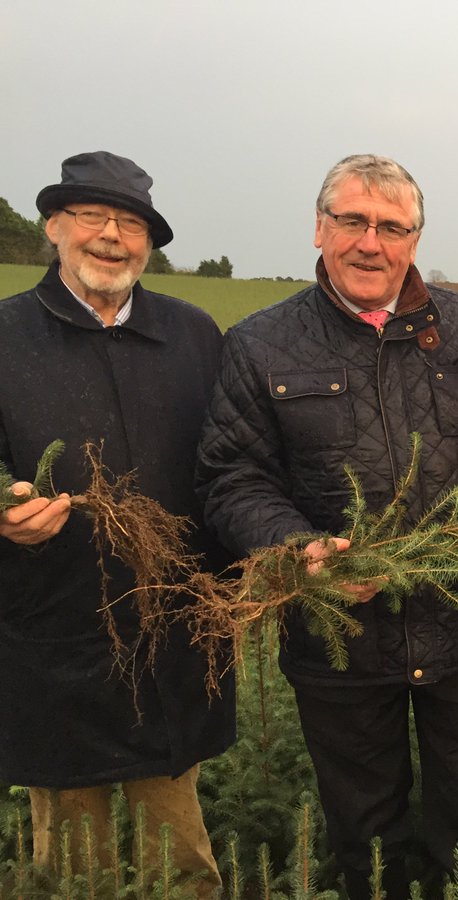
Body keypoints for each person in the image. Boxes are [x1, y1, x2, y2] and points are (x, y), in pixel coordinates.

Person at [195, 154, 458, 899]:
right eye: (352, 221)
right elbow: (232, 478)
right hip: (340, 642)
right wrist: (295, 548)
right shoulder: (260, 345)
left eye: (392, 227)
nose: (370, 242)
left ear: (414, 240)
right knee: (367, 836)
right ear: (319, 229)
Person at [0, 151, 235, 897]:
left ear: (149, 242)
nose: (112, 236)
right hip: (54, 629)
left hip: (173, 629)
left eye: (130, 223)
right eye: (93, 217)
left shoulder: (195, 335)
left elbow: (234, 464)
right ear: (55, 228)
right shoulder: (6, 335)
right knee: (72, 861)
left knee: (183, 853)